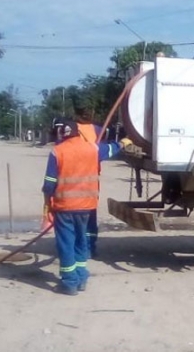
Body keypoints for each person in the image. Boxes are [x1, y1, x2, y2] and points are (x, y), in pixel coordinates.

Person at [42, 118, 130, 295]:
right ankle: (81, 277)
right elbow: (111, 149)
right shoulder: (92, 148)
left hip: (65, 207)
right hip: (87, 207)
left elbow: (49, 184)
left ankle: (69, 282)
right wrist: (123, 142)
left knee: (66, 244)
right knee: (81, 242)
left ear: (61, 133)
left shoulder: (57, 152)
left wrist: (47, 204)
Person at [75, 107, 104, 258]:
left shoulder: (72, 129)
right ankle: (88, 248)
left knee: (75, 214)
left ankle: (82, 247)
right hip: (90, 177)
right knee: (89, 213)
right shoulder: (98, 130)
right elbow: (102, 151)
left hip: (74, 176)